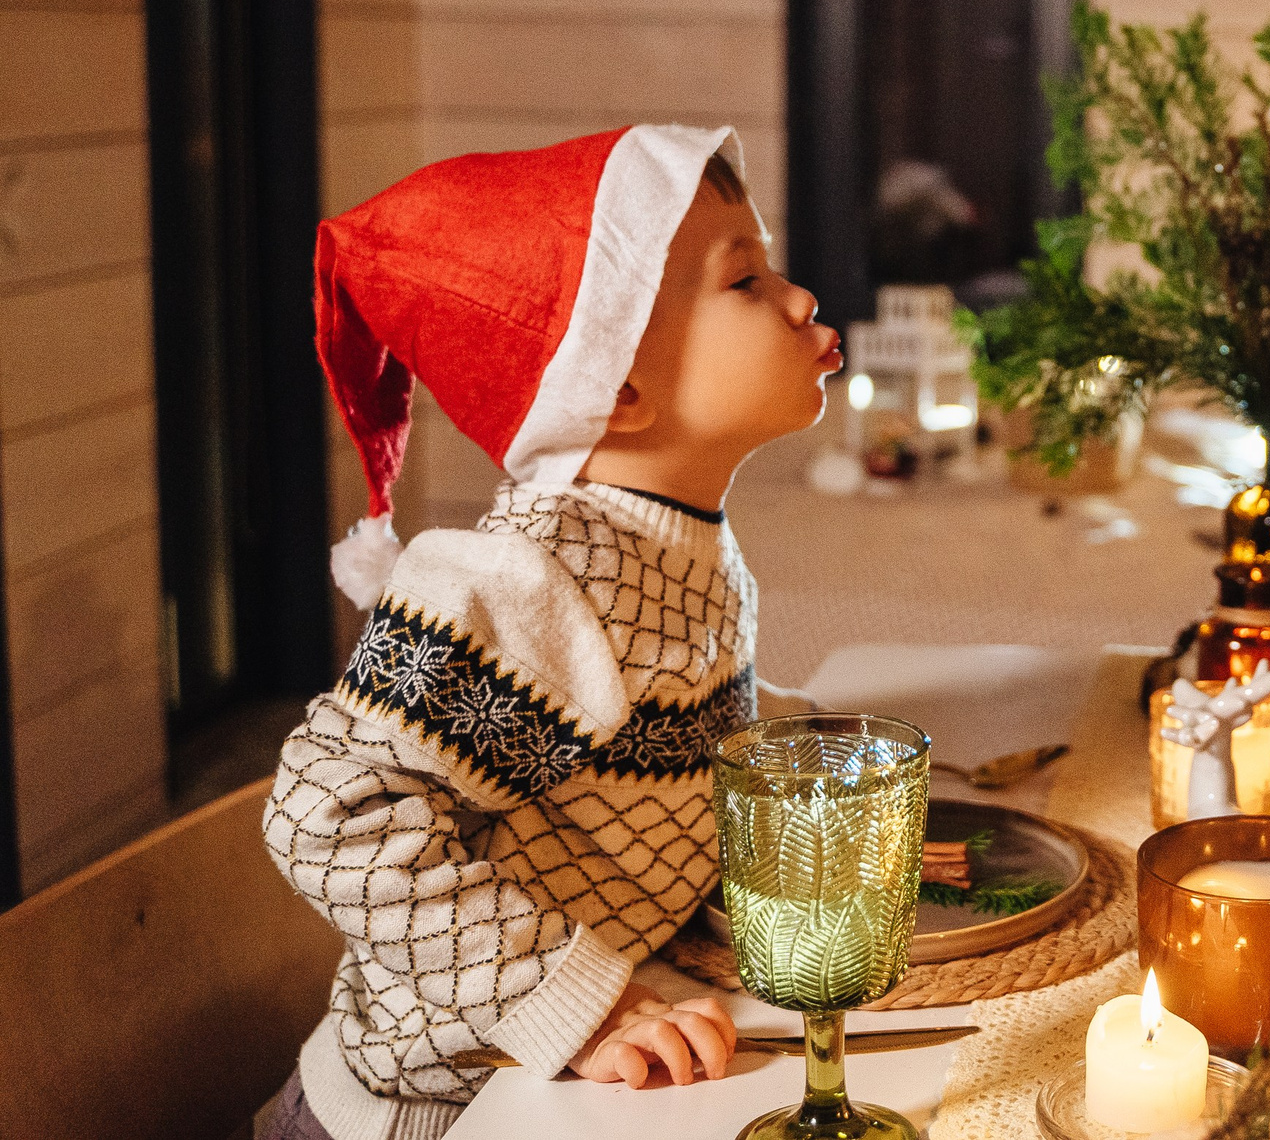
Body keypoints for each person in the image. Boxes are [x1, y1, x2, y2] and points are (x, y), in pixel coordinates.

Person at [257, 126, 844, 1140]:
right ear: (614, 386)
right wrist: (583, 1000)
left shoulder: (678, 538)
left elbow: (675, 727)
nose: (800, 299)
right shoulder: (526, 579)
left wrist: (824, 766)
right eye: (745, 280)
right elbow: (327, 808)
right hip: (433, 1108)